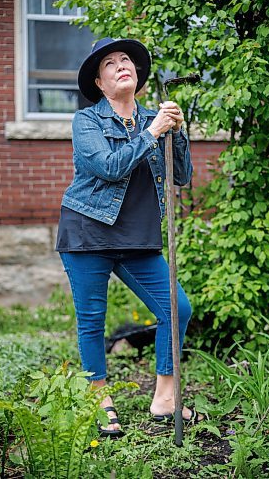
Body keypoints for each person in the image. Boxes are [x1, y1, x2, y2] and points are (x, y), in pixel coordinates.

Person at [56, 37, 200, 437]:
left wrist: (177, 132)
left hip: (137, 239)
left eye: (127, 61)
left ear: (136, 75)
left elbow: (182, 177)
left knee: (177, 308)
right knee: (92, 322)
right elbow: (108, 167)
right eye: (111, 63)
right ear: (100, 83)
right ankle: (100, 400)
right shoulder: (87, 121)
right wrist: (153, 132)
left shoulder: (156, 118)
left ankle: (165, 397)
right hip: (87, 233)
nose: (122, 65)